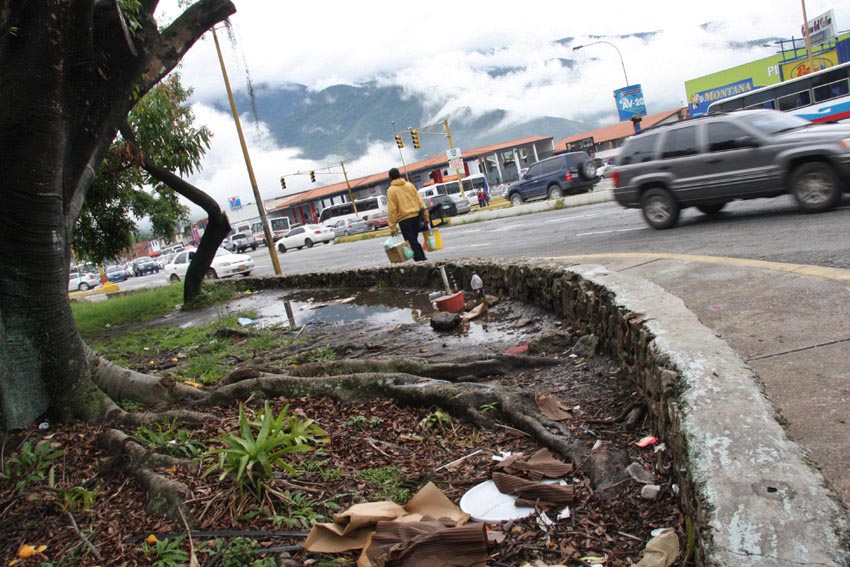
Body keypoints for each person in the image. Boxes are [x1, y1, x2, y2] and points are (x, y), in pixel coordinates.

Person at [386, 168, 429, 262]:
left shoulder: (391, 190)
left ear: (390, 178)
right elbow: (419, 200)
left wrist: (392, 226)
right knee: (413, 239)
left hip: (404, 220)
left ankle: (421, 260)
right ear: (399, 175)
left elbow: (392, 210)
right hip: (416, 217)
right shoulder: (410, 185)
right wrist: (426, 215)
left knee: (411, 241)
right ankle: (421, 258)